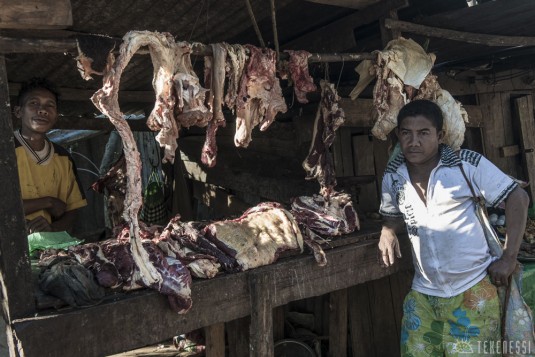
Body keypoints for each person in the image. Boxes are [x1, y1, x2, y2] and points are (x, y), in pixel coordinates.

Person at [378, 99, 529, 356]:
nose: (414, 141)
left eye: (423, 133)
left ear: (440, 135)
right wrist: (388, 230)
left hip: (472, 290)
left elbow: (518, 197)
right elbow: (391, 213)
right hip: (423, 296)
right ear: (398, 135)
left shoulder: (465, 165)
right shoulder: (393, 175)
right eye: (406, 133)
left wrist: (509, 257)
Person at [13, 77, 87, 234]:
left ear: (56, 116)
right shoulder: (6, 151)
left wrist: (51, 230)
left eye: (50, 105)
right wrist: (47, 202)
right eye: (34, 103)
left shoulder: (63, 157)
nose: (42, 110)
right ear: (19, 112)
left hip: (49, 248)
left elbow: (72, 210)